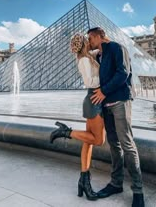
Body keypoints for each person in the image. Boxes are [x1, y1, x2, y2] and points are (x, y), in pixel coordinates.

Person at [87, 27, 145, 207]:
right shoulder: (99, 56)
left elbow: (123, 73)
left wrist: (103, 91)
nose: (89, 42)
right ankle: (116, 183)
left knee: (127, 144)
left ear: (98, 36)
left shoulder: (117, 48)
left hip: (119, 101)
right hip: (106, 105)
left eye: (90, 39)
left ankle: (138, 191)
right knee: (114, 144)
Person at [49, 33, 105, 201]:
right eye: (87, 41)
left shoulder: (88, 56)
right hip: (94, 99)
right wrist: (106, 75)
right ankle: (66, 132)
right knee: (98, 140)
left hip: (94, 99)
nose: (90, 42)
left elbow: (98, 52)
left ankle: (84, 180)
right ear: (83, 44)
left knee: (88, 142)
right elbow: (90, 82)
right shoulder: (84, 60)